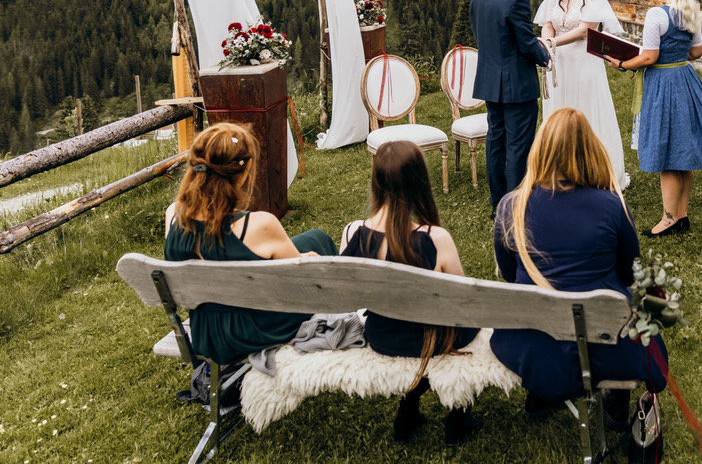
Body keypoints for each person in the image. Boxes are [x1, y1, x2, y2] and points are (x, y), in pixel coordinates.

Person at [490, 108, 667, 419]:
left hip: (533, 345)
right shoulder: (612, 206)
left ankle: (543, 390)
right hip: (606, 343)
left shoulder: (511, 207)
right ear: (590, 149)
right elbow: (630, 274)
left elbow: (510, 275)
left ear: (540, 148)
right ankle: (615, 395)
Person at [339, 140, 481, 444]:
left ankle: (409, 410)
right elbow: (463, 298)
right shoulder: (435, 239)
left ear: (376, 182)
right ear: (420, 182)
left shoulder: (353, 233)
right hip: (435, 340)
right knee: (469, 324)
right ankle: (458, 417)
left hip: (383, 336)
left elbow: (351, 295)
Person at [163, 123, 336, 366]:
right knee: (320, 241)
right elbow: (301, 281)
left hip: (205, 334)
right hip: (250, 333)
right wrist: (308, 261)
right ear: (243, 172)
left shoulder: (173, 215)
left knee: (311, 239)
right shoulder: (260, 225)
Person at [604, 0, 702, 237]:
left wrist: (621, 64)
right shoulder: (690, 11)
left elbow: (649, 56)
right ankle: (682, 215)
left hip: (664, 86)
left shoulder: (657, 15)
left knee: (668, 153)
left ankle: (669, 219)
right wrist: (676, 52)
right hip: (686, 81)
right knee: (684, 150)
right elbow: (697, 52)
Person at [534, 0, 628, 189]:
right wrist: (547, 40)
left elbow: (585, 29)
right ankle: (562, 168)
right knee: (559, 110)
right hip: (558, 63)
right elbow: (547, 23)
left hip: (584, 61)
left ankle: (594, 170)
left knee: (585, 110)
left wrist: (553, 42)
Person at [470, 0, 551, 212]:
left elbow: (485, 38)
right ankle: (515, 207)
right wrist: (546, 55)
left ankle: (497, 204)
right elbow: (527, 44)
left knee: (496, 143)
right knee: (518, 147)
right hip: (517, 85)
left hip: (490, 83)